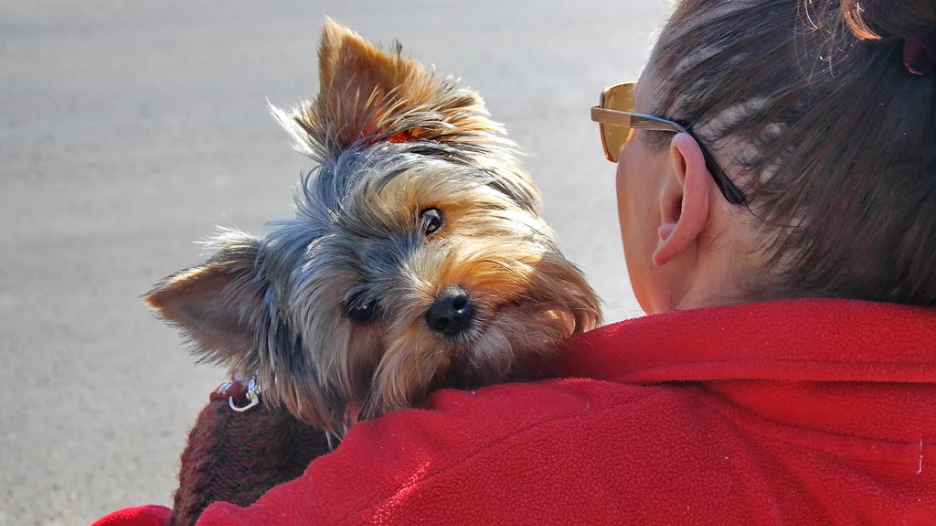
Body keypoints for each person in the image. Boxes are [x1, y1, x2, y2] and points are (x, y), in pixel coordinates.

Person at [96, 0, 936, 523]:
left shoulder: (455, 476)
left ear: (677, 197)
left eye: (432, 219)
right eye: (363, 309)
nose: (435, 292)